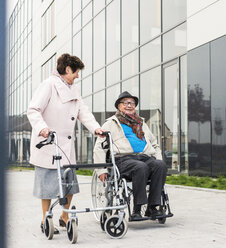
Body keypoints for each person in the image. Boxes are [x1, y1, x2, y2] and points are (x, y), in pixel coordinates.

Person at [27, 53, 104, 234]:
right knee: (46, 185)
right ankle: (46, 218)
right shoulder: (49, 85)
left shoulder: (73, 89)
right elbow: (33, 109)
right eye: (76, 72)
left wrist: (96, 129)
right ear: (68, 69)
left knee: (69, 183)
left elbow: (83, 112)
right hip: (48, 143)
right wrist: (42, 128)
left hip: (66, 147)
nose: (78, 75)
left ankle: (65, 216)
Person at [93, 91, 167, 220]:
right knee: (140, 167)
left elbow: (155, 145)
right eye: (126, 102)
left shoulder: (141, 123)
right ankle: (137, 209)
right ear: (119, 106)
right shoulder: (110, 123)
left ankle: (153, 207)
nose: (129, 105)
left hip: (144, 157)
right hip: (122, 159)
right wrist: (101, 170)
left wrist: (158, 159)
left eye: (132, 103)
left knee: (160, 165)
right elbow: (99, 147)